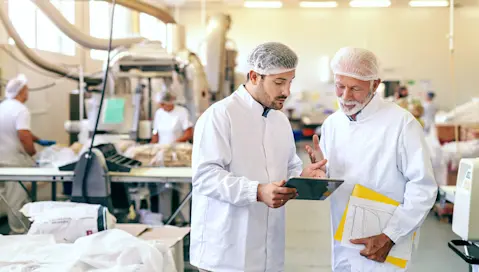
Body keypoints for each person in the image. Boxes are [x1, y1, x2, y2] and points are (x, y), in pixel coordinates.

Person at [190, 42, 327, 272]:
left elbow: (289, 166)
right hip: (225, 253)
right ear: (254, 76)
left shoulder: (279, 120)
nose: (287, 91)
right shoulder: (220, 116)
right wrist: (257, 191)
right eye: (279, 82)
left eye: (290, 81)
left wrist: (303, 176)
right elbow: (205, 176)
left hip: (268, 251)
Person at [306, 47, 438, 271]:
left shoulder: (401, 124)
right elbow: (334, 180)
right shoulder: (333, 124)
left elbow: (423, 187)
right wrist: (319, 175)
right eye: (340, 86)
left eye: (355, 88)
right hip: (343, 240)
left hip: (386, 241)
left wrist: (390, 235)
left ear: (375, 85)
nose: (346, 96)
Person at [0, 74, 56, 234]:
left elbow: (13, 130)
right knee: (16, 199)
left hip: (1, 159)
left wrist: (38, 140)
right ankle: (18, 232)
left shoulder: (3, 106)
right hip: (13, 162)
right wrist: (33, 154)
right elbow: (23, 134)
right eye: (26, 90)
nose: (28, 93)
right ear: (21, 92)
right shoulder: (21, 109)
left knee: (5, 197)